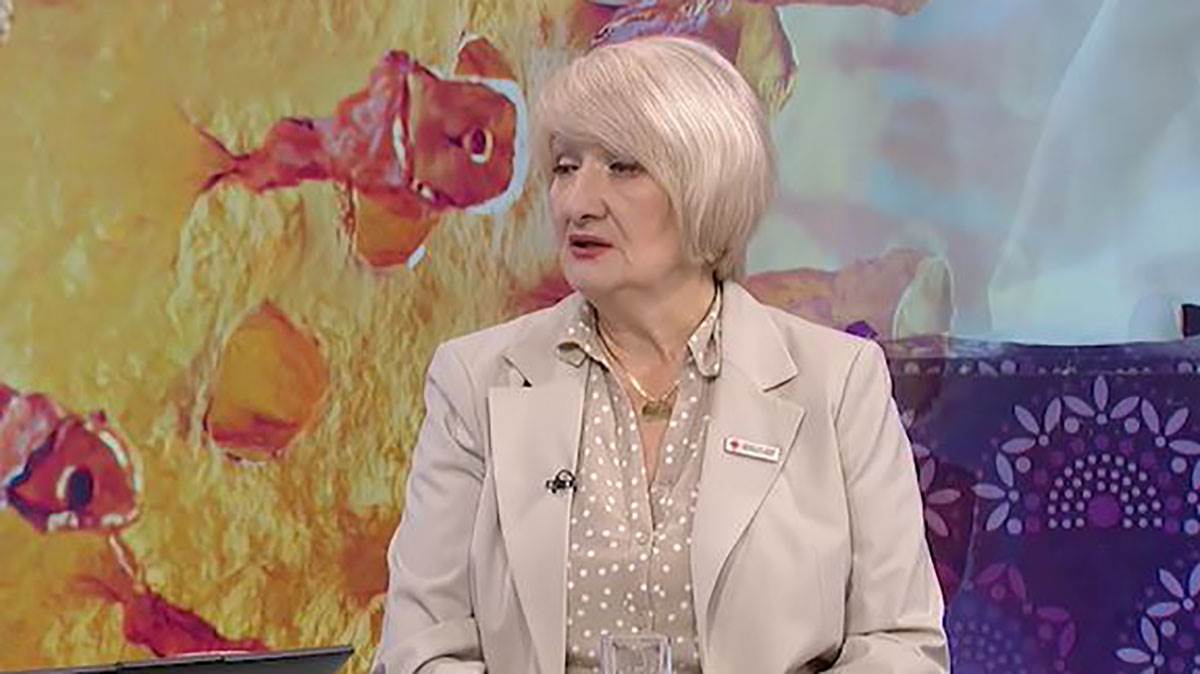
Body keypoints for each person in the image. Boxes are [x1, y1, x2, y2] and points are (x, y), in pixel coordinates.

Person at [371, 35, 948, 674]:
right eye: (566, 167)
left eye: (622, 167)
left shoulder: (837, 384)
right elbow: (420, 651)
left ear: (707, 185)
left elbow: (902, 647)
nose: (577, 203)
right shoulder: (475, 381)